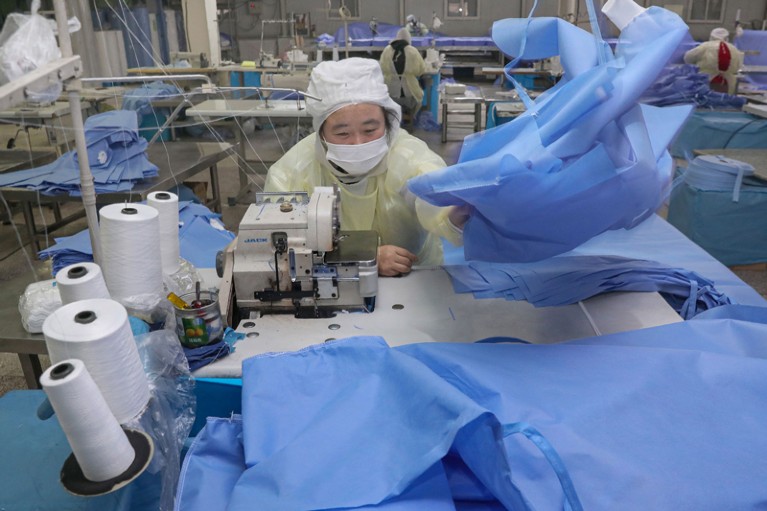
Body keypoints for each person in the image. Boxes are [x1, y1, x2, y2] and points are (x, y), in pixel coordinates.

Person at [264, 58, 468, 277]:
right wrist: (361, 257)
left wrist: (454, 212)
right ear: (321, 133)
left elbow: (428, 193)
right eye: (343, 134)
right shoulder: (292, 171)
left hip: (414, 278)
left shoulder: (407, 156)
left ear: (388, 123)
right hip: (326, 279)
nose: (358, 143)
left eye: (370, 130)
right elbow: (276, 246)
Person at [379, 28, 427, 127]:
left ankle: (392, 121)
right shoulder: (412, 51)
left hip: (390, 94)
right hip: (409, 95)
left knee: (389, 104)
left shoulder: (387, 50)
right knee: (418, 98)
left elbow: (382, 67)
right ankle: (410, 119)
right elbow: (421, 70)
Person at [683, 27, 744, 95]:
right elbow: (739, 65)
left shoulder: (705, 46)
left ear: (711, 36)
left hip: (706, 81)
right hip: (728, 84)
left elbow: (688, 58)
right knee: (724, 102)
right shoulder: (734, 49)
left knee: (705, 100)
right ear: (727, 38)